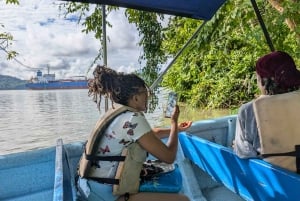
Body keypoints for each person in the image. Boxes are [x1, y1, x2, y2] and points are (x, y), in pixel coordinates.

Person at [77, 65, 192, 201]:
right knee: (183, 199)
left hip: (88, 187)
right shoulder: (133, 118)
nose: (148, 96)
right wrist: (173, 122)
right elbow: (169, 157)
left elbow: (150, 134)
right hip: (106, 195)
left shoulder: (117, 111)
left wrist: (178, 128)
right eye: (145, 92)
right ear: (135, 97)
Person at [233, 51, 300, 158]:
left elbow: (244, 152)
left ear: (263, 82)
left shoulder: (248, 110)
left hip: (273, 173)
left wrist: (236, 145)